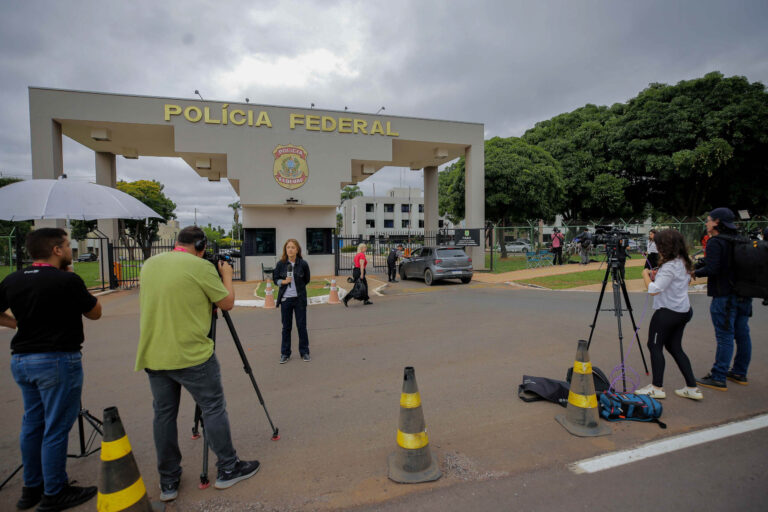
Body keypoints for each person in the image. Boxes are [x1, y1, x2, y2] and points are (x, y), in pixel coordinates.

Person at [135, 226, 259, 502]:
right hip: (192, 355)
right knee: (213, 407)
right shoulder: (200, 266)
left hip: (154, 353)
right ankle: (228, 467)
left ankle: (168, 480)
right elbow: (226, 303)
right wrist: (226, 275)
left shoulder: (150, 265)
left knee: (163, 415)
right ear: (201, 246)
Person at [0, 228, 102, 511]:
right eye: (68, 245)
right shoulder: (66, 280)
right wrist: (71, 281)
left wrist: (16, 324)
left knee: (33, 424)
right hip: (57, 360)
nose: (70, 249)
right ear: (57, 250)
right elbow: (95, 312)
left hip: (22, 360)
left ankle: (31, 488)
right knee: (56, 428)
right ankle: (54, 492)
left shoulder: (13, 279)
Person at [638, 229, 702, 400]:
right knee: (674, 347)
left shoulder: (670, 265)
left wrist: (646, 275)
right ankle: (692, 387)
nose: (657, 248)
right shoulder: (683, 261)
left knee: (654, 345)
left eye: (659, 245)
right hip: (682, 310)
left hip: (668, 312)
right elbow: (674, 282)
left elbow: (654, 289)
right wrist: (657, 276)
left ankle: (657, 387)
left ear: (665, 246)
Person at [693, 208, 753, 391]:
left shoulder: (716, 242)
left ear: (717, 222)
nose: (706, 223)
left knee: (724, 336)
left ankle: (719, 376)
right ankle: (739, 372)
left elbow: (713, 269)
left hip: (724, 296)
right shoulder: (742, 240)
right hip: (744, 294)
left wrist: (695, 272)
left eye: (709, 220)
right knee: (742, 334)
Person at [273, 239, 311, 363]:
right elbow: (275, 279)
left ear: (297, 249)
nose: (290, 249)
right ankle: (285, 353)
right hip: (286, 300)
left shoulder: (303, 264)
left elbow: (307, 279)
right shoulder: (281, 264)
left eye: (293, 247)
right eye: (288, 247)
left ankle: (304, 352)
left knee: (301, 326)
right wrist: (284, 282)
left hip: (299, 299)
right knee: (286, 328)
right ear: (285, 249)